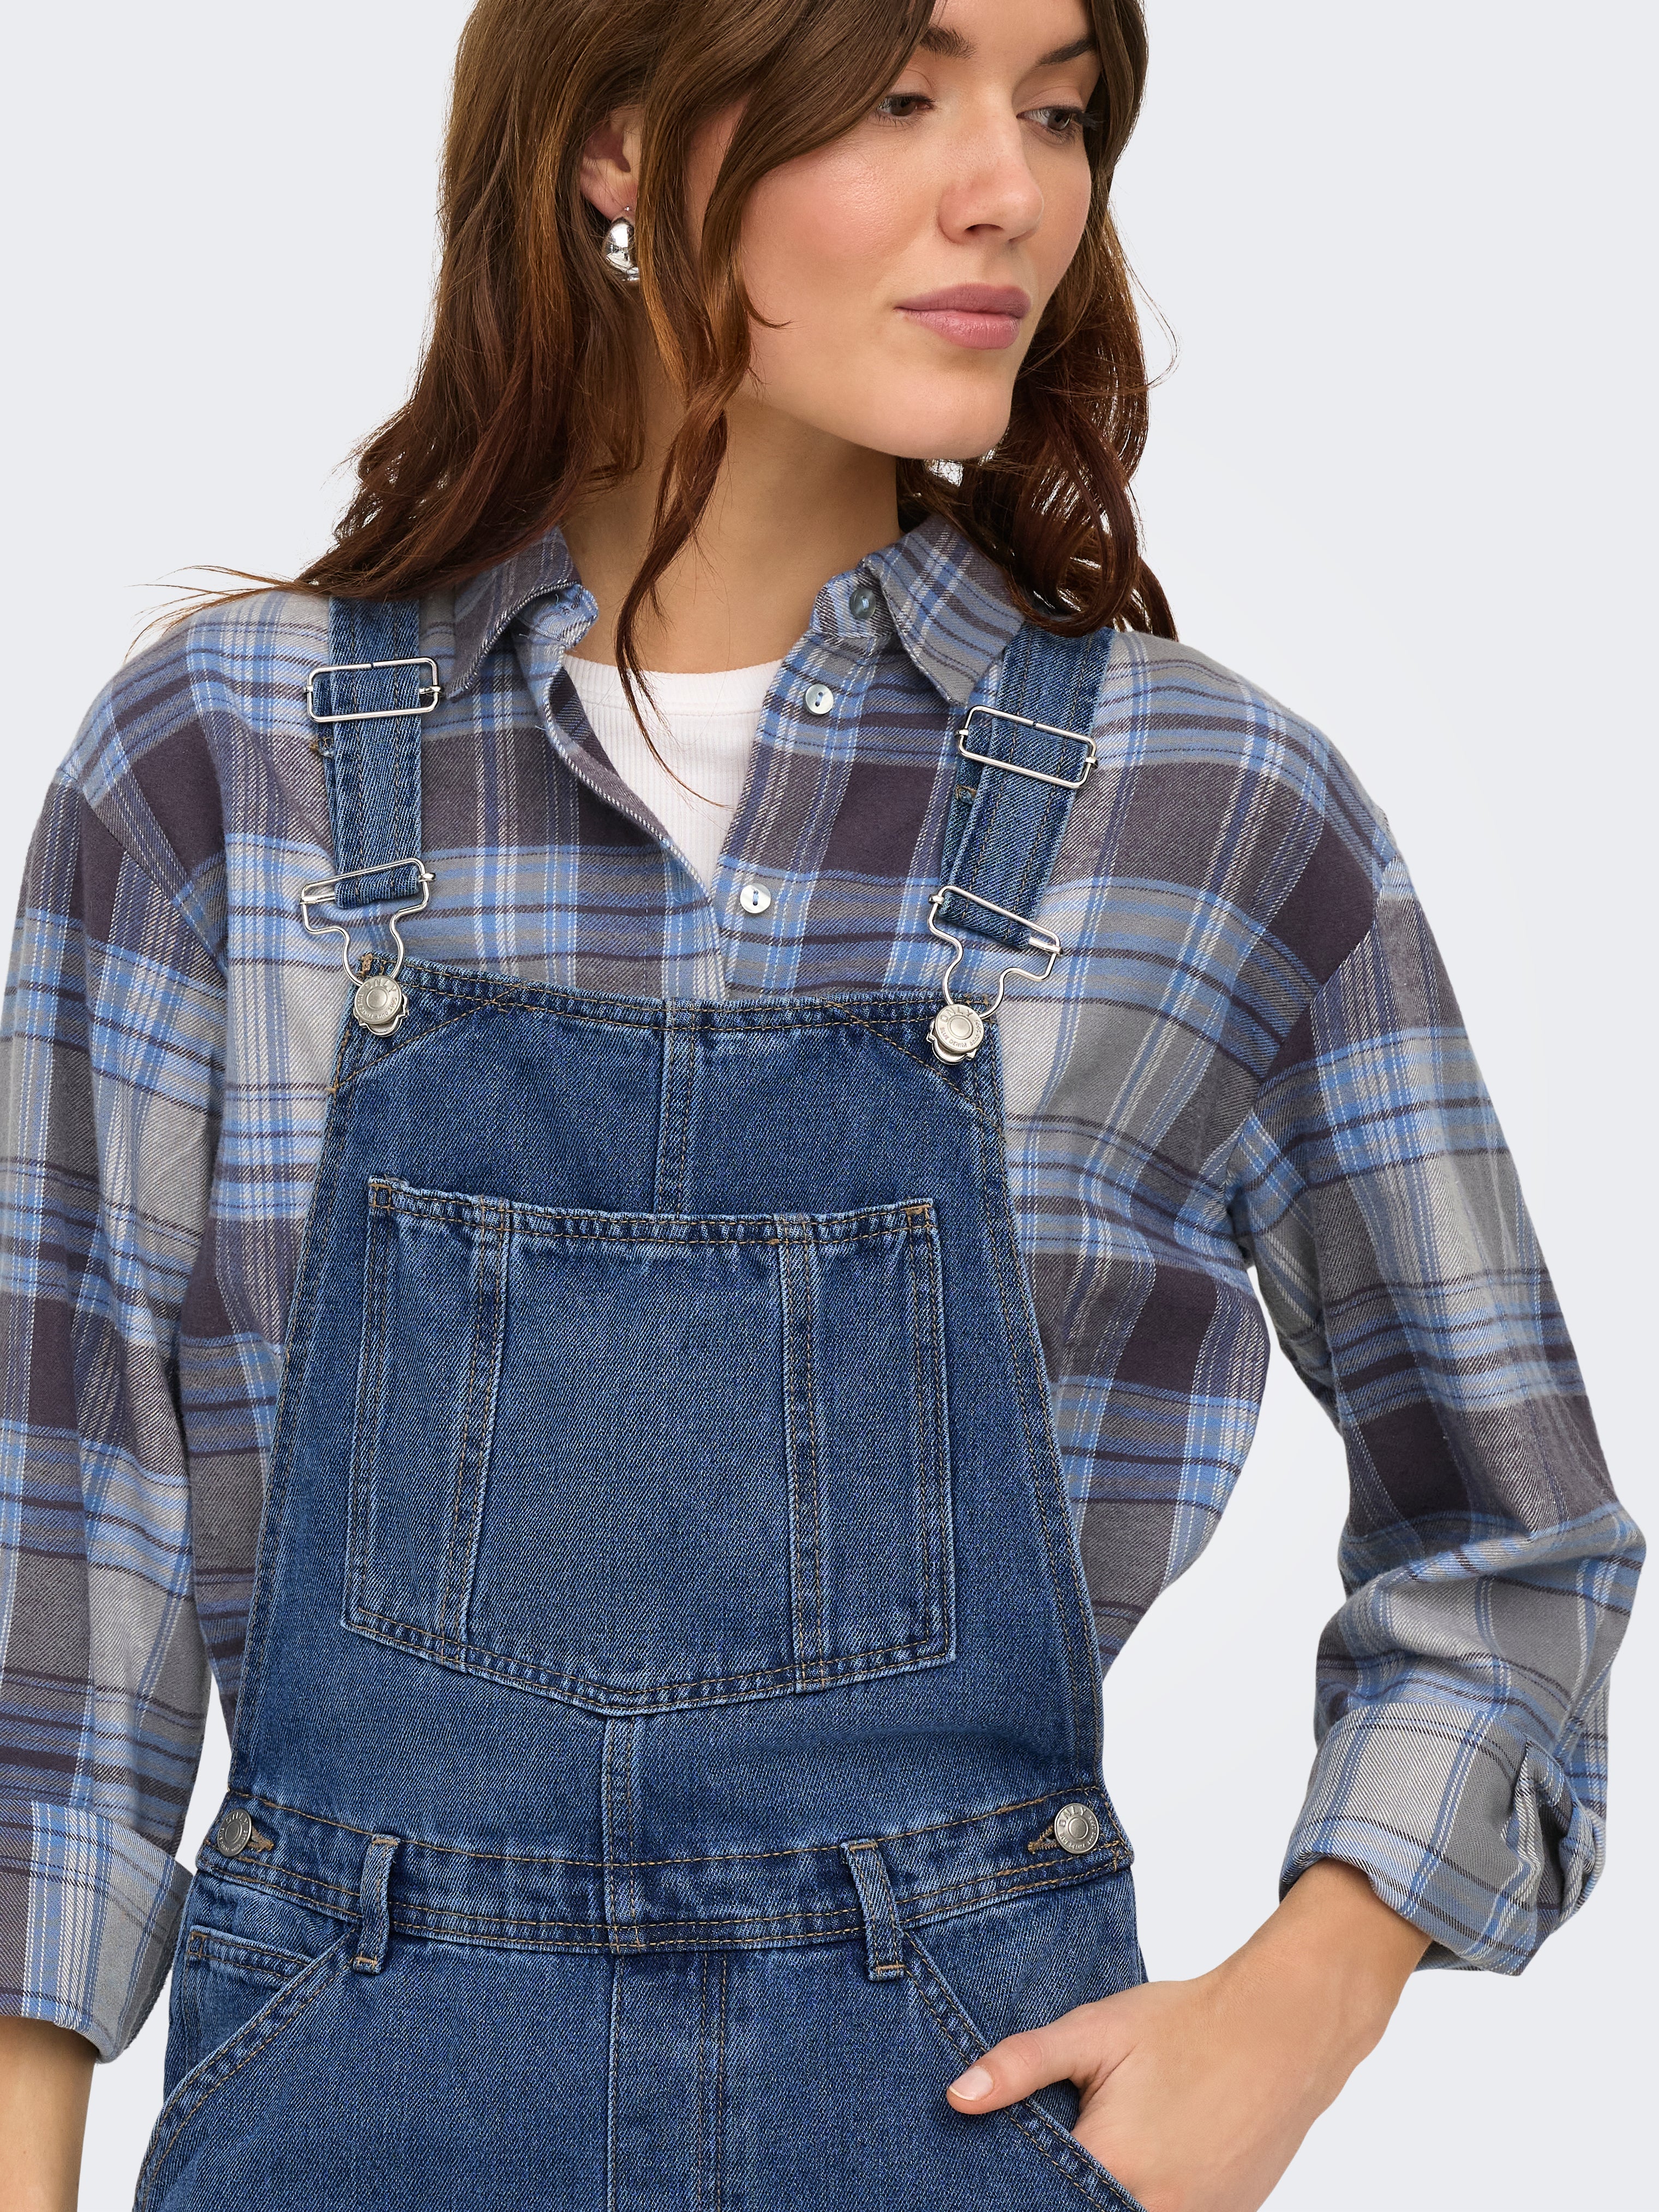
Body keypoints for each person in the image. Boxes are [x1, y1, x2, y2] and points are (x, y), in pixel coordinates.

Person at [0, 1, 1640, 2206]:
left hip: (958, 2105)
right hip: (341, 2103)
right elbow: (51, 1585)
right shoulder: (223, 760)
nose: (1009, 192)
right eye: (899, 94)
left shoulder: (1207, 807)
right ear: (615, 143)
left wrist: (1292, 2015)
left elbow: (1512, 1547)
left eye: (1057, 110)